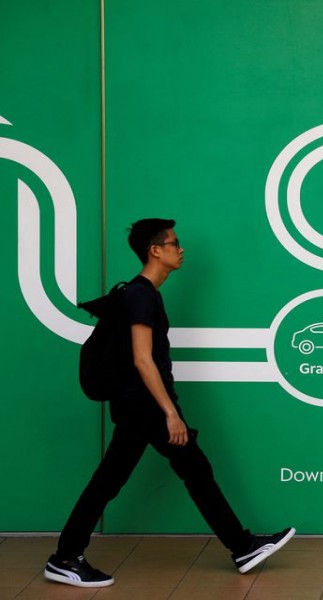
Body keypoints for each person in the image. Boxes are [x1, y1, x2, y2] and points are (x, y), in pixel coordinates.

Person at [45, 218, 294, 588]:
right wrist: (170, 414)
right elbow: (142, 359)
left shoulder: (142, 293)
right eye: (175, 243)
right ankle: (241, 546)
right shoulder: (142, 295)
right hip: (144, 406)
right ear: (155, 250)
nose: (182, 249)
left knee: (157, 474)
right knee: (187, 471)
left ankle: (241, 546)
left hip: (137, 406)